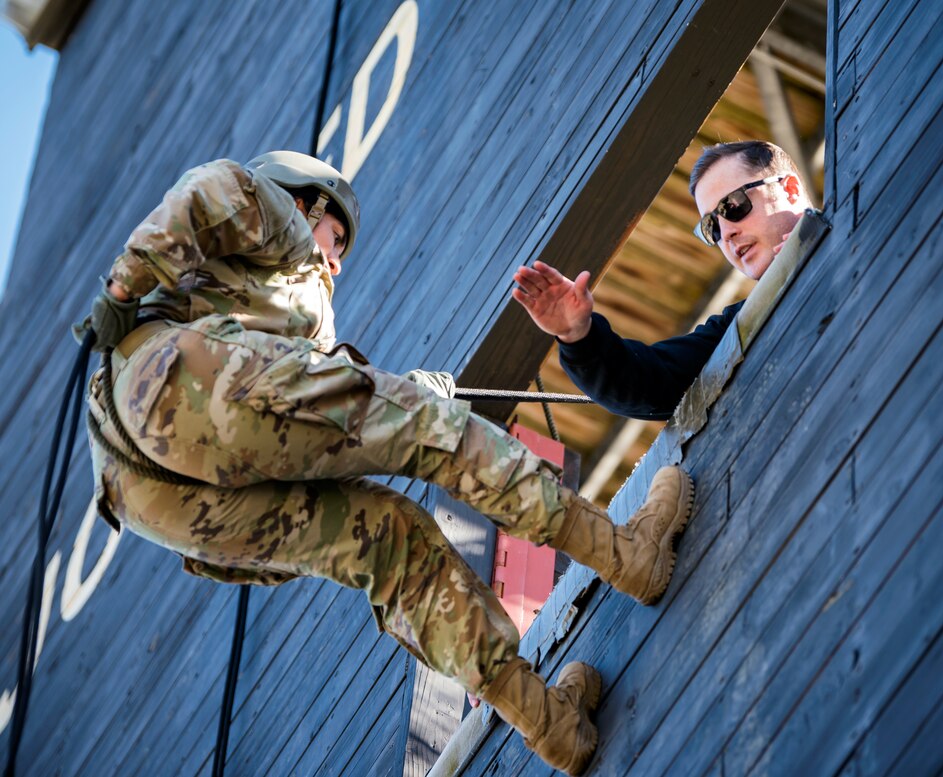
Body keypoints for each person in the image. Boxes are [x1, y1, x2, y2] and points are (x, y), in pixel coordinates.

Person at [78, 151, 694, 776]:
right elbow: (218, 187)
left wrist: (399, 389)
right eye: (336, 234)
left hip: (151, 498)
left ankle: (551, 723)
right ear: (302, 201)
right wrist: (123, 286)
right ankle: (629, 554)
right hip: (173, 382)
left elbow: (313, 413)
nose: (337, 259)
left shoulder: (240, 303)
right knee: (440, 435)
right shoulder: (284, 228)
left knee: (387, 545)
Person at [513, 140, 812, 420]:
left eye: (732, 206)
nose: (727, 233)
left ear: (791, 190)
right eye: (712, 227)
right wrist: (578, 336)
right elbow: (650, 384)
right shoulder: (737, 327)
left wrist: (813, 248)